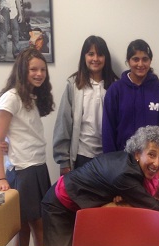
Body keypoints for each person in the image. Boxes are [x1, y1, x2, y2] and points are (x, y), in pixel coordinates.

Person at [42, 126, 159, 246]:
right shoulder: (125, 177)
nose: (157, 163)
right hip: (59, 205)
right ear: (137, 153)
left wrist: (122, 194)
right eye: (151, 155)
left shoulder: (130, 164)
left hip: (79, 202)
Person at [0, 48, 55, 246]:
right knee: (34, 227)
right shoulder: (11, 97)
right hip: (23, 171)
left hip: (38, 167)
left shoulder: (32, 97)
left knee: (28, 229)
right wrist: (0, 177)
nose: (39, 74)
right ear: (22, 70)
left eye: (42, 70)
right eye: (33, 69)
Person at [53, 36, 118, 176]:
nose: (95, 58)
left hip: (108, 156)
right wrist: (64, 161)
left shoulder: (116, 85)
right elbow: (63, 123)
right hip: (81, 155)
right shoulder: (74, 84)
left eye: (100, 54)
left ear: (106, 58)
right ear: (84, 56)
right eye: (91, 54)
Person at [102, 39, 159, 153]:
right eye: (135, 59)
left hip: (153, 160)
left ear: (150, 61)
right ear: (128, 61)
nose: (140, 64)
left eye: (145, 59)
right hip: (122, 159)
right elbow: (108, 130)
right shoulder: (115, 90)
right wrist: (111, 162)